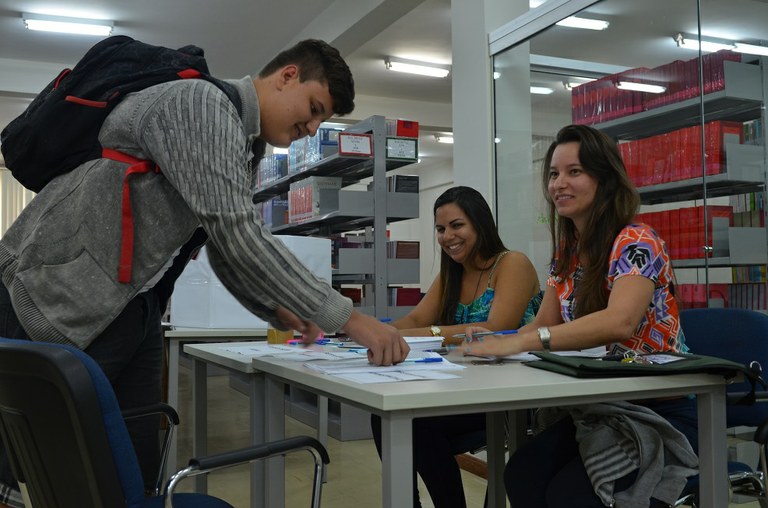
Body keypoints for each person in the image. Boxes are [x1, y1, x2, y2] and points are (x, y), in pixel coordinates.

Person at [0, 39, 408, 507]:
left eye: (322, 120)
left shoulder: (243, 142)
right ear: (288, 75)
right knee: (26, 460)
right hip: (56, 292)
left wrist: (272, 306)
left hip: (131, 305)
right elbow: (237, 232)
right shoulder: (203, 106)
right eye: (314, 108)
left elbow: (219, 243)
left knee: (131, 473)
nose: (311, 128)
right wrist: (350, 318)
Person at [461, 124, 698, 508]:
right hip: (601, 405)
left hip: (658, 409)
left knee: (568, 496)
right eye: (554, 173)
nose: (559, 183)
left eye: (575, 171)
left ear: (604, 179)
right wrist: (494, 341)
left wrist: (521, 340)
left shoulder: (637, 240)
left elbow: (619, 321)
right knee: (521, 473)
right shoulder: (567, 254)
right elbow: (542, 326)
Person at [371, 185, 543, 508]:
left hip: (514, 396)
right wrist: (374, 332)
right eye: (440, 228)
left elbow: (494, 329)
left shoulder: (512, 264)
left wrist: (431, 332)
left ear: (480, 223)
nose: (447, 236)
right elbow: (415, 319)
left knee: (419, 424)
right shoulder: (452, 273)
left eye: (456, 225)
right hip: (465, 388)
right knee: (387, 414)